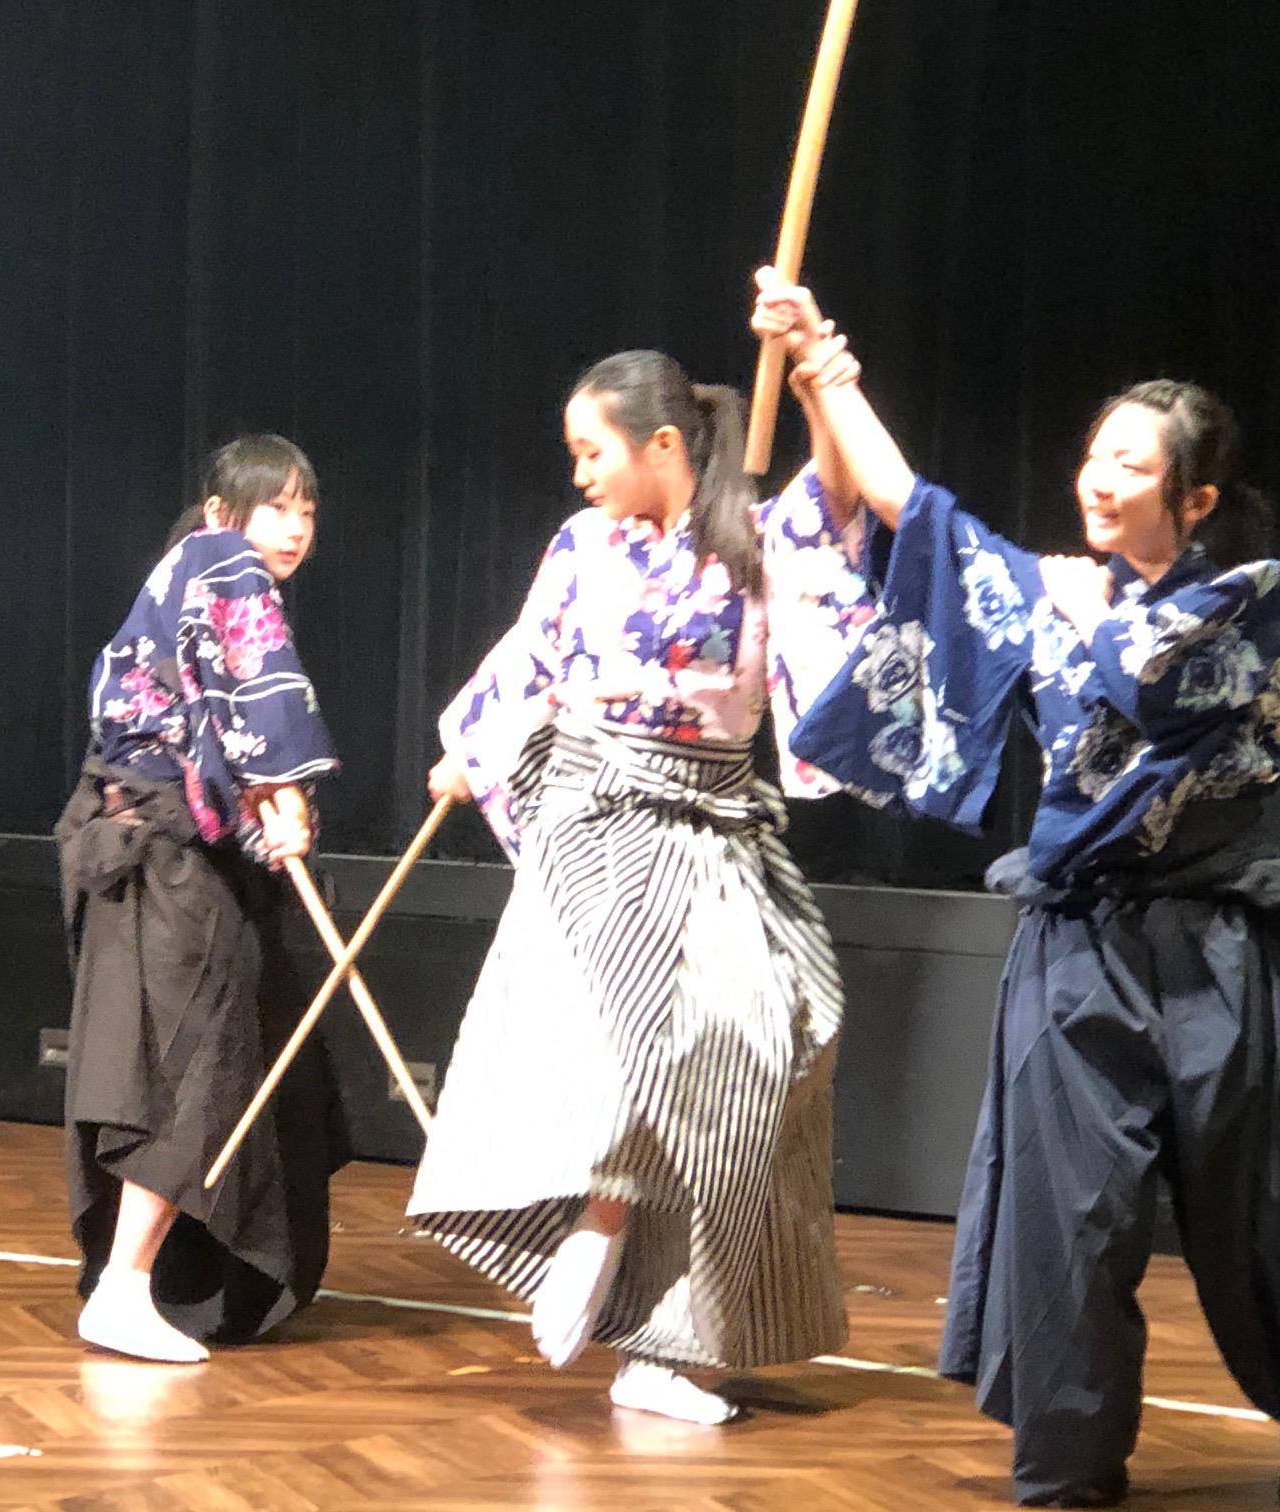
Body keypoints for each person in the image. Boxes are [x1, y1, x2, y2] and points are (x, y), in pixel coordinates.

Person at [754, 272, 1280, 1507]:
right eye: (1096, 456)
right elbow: (911, 508)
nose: (1098, 481)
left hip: (1214, 946)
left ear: (1195, 500)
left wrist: (1080, 606)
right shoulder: (1054, 591)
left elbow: (1157, 685)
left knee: (1258, 1213)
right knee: (1070, 1214)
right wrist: (821, 360)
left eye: (1132, 468)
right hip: (1077, 942)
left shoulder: (1248, 599)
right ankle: (1066, 1461)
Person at [406, 347, 877, 1424]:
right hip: (599, 817)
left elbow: (839, 501)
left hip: (715, 824)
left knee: (762, 1053)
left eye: (592, 451)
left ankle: (670, 1349)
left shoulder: (758, 537)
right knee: (629, 1038)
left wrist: (814, 378)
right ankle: (599, 1214)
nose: (579, 474)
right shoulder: (585, 544)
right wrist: (472, 753)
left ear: (662, 444)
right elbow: (531, 661)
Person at [57, 434, 346, 1365]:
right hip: (170, 867)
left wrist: (267, 812)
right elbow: (257, 700)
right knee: (191, 1069)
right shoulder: (222, 560)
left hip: (146, 851)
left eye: (307, 510)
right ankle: (125, 1286)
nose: (294, 529)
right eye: (277, 507)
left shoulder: (181, 572)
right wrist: (285, 795)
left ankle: (138, 1280)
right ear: (225, 511)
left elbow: (210, 722)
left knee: (188, 1064)